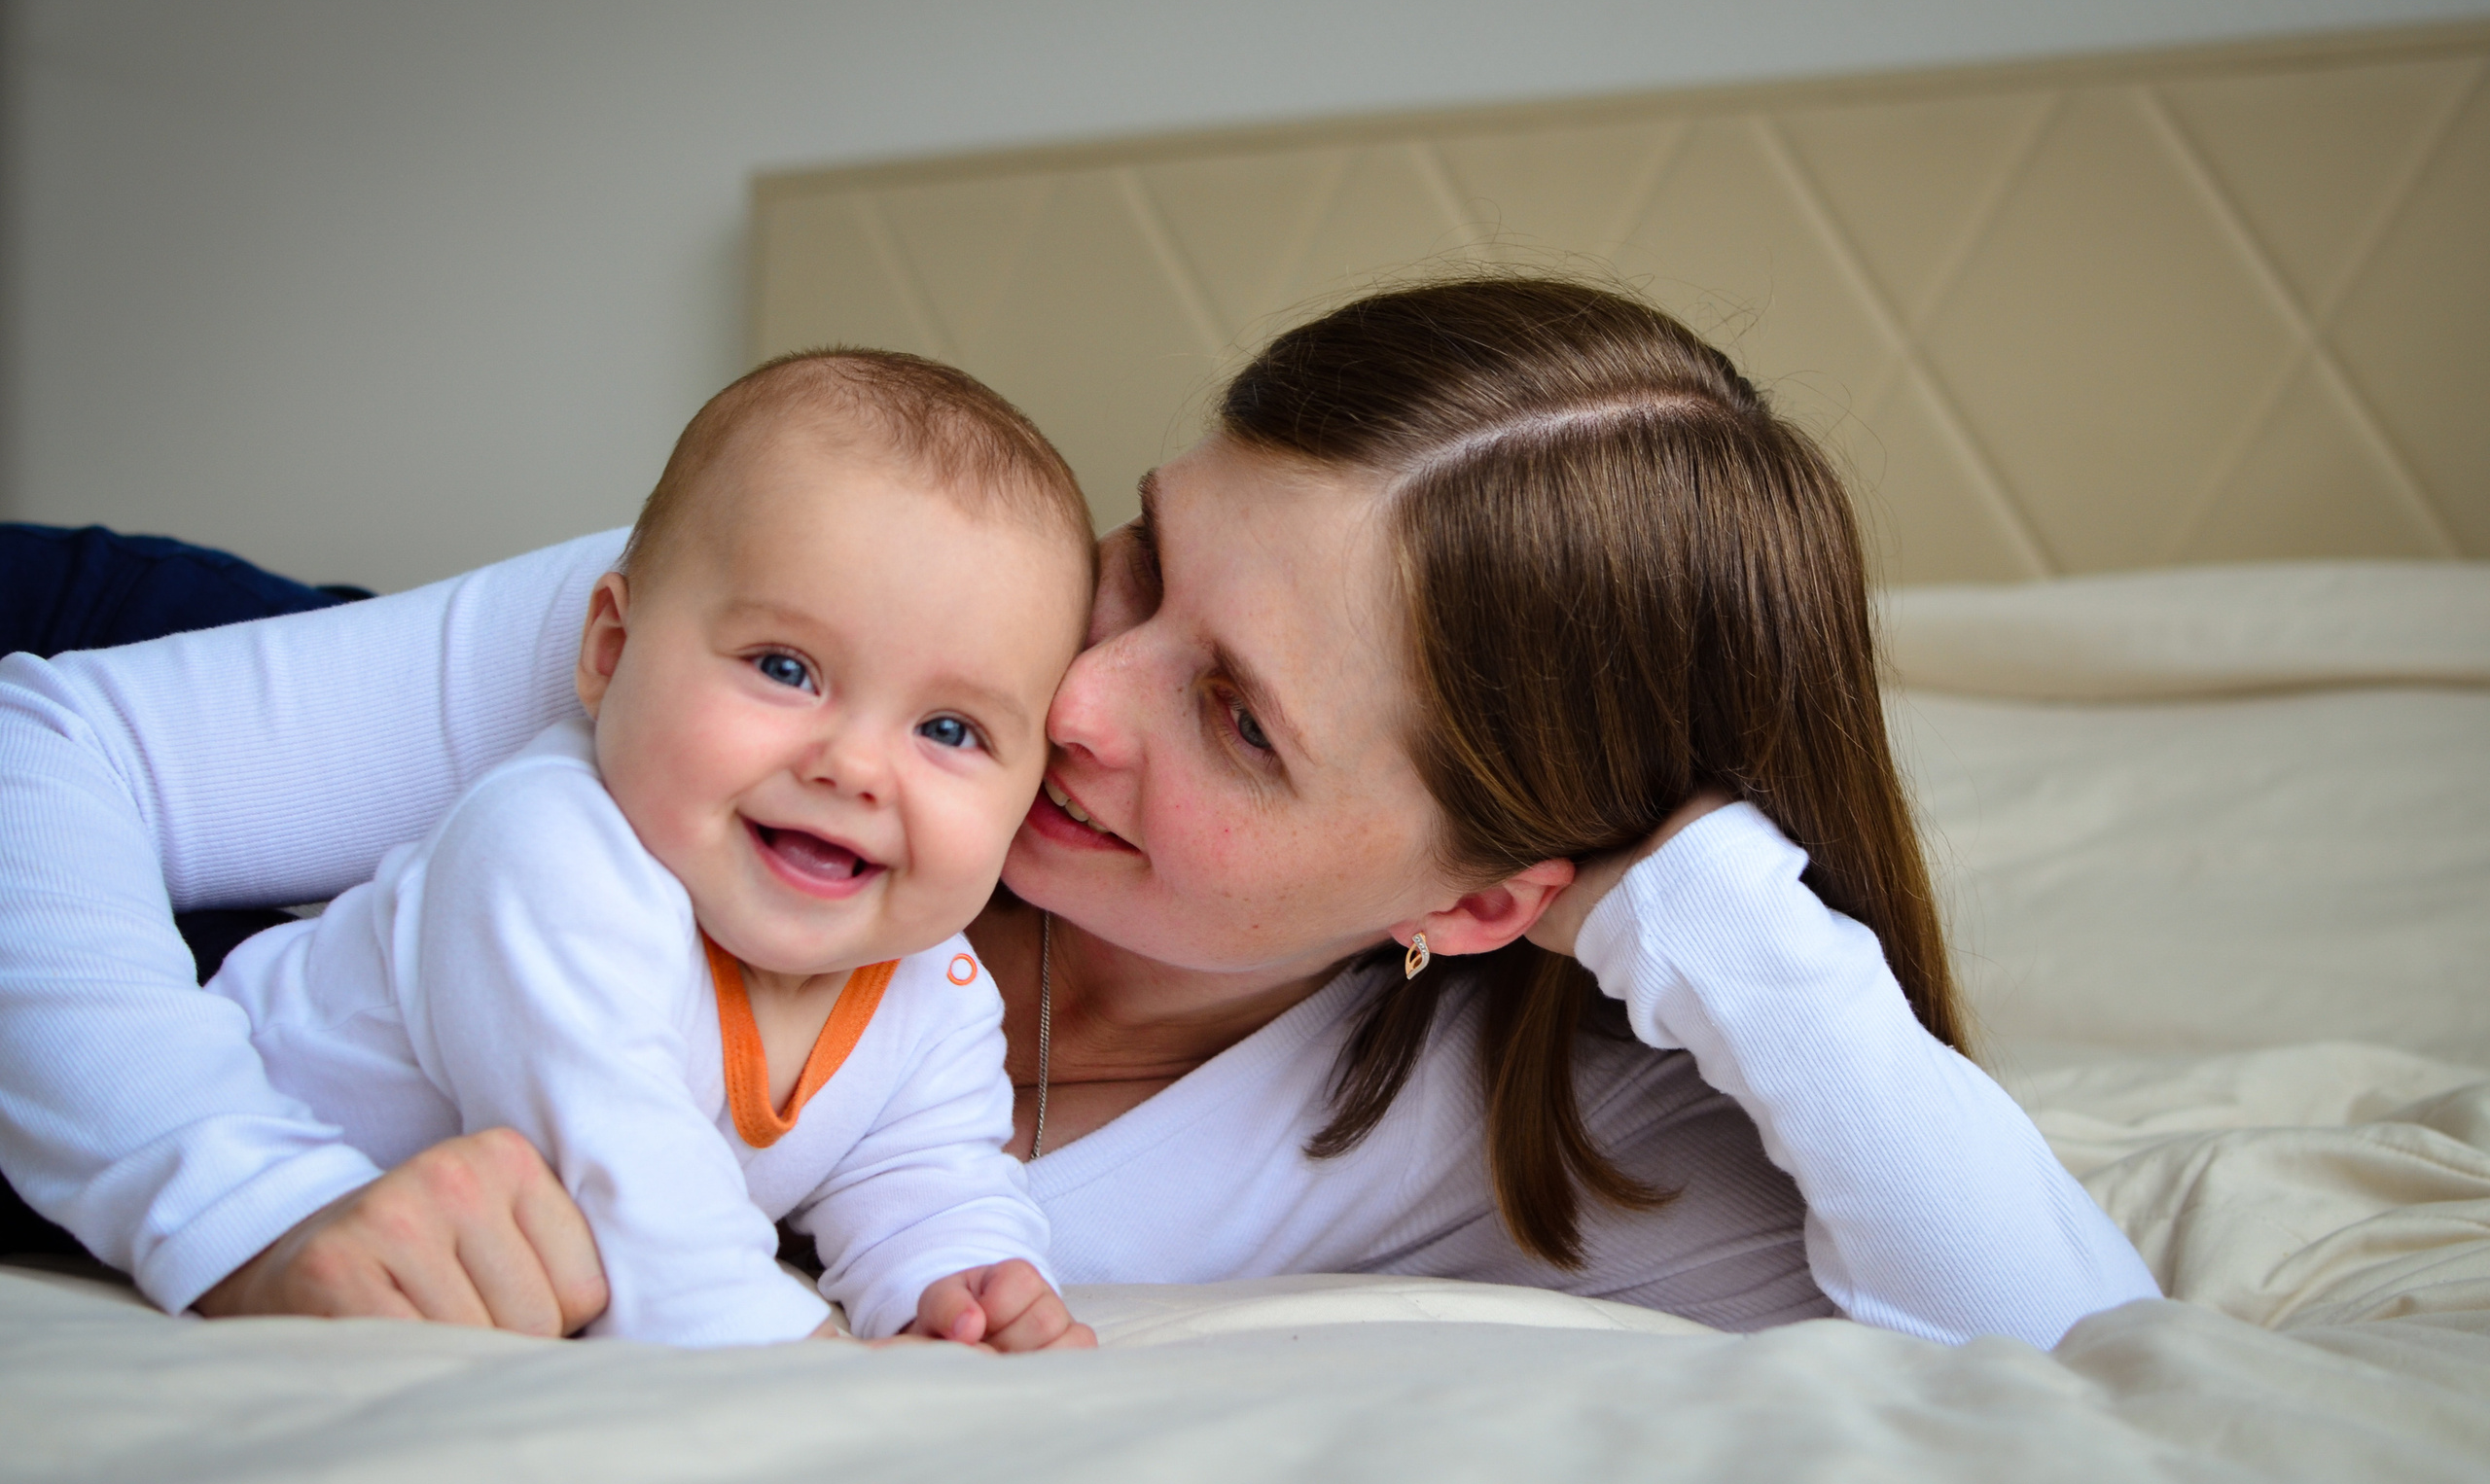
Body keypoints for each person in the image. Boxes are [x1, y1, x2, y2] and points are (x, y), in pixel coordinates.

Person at [0, 275, 2160, 1351]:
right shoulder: (832, 627)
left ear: (1493, 893)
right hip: (157, 802)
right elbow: (52, 747)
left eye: (1232, 716)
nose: (1070, 696)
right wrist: (245, 1203)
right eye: (1142, 557)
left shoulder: (1523, 1132)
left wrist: (1706, 903)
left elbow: (2068, 1368)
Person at [174, 350, 1104, 1349]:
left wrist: (973, 1301)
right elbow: (636, 1197)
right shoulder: (549, 851)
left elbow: (930, 1188)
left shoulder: (934, 990)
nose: (856, 767)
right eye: (786, 668)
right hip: (153, 1156)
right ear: (609, 653)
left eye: (951, 731)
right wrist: (808, 1362)